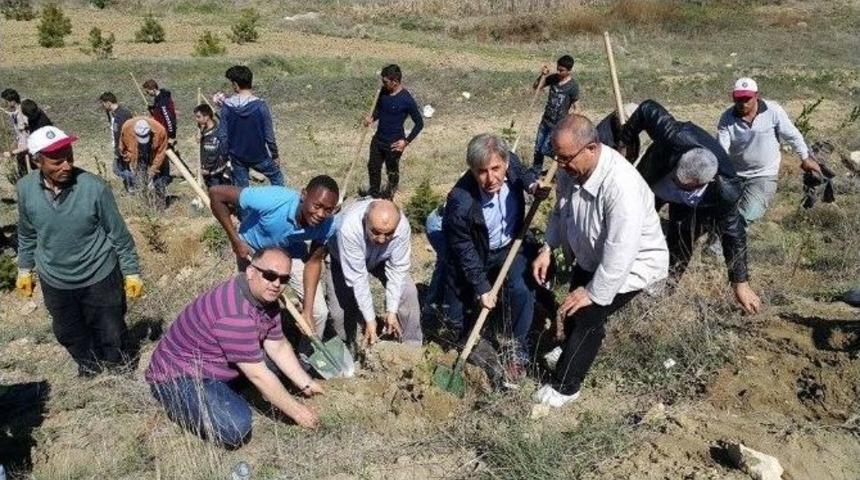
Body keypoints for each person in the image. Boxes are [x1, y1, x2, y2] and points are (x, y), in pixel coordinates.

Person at [531, 115, 669, 407]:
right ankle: (569, 349)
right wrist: (548, 247)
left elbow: (622, 250)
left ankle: (567, 386)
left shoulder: (621, 186)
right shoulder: (573, 170)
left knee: (588, 317)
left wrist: (594, 292)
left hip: (631, 265)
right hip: (592, 255)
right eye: (558, 157)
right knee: (572, 303)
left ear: (591, 148)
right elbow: (561, 211)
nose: (561, 165)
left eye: (566, 158)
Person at [146, 247, 322, 448]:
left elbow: (278, 345)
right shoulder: (234, 313)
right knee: (236, 427)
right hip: (178, 377)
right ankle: (178, 402)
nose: (276, 284)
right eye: (270, 275)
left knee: (276, 367)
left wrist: (305, 383)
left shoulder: (264, 297)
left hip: (214, 362)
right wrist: (298, 412)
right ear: (251, 271)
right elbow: (257, 374)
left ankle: (227, 391)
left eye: (284, 279)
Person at [15, 126, 142, 377]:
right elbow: (27, 233)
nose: (66, 165)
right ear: (36, 160)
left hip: (99, 273)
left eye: (70, 157)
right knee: (68, 331)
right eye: (57, 161)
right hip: (55, 278)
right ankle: (89, 366)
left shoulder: (94, 188)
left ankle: (119, 370)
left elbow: (118, 234)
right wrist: (24, 268)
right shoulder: (25, 189)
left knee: (111, 329)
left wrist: (131, 271)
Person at [617, 100, 761, 314]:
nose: (676, 182)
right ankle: (618, 271)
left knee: (681, 243)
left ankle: (664, 292)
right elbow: (647, 108)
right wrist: (623, 145)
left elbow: (734, 234)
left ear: (704, 182)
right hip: (653, 180)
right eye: (676, 177)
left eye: (682, 184)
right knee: (628, 223)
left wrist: (740, 283)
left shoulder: (725, 192)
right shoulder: (677, 137)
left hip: (690, 208)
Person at [443, 133, 545, 385]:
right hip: (478, 252)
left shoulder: (511, 165)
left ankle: (516, 346)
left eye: (496, 169)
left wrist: (533, 185)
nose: (491, 178)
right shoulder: (460, 201)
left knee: (521, 289)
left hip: (512, 244)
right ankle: (466, 340)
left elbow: (523, 174)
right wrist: (480, 286)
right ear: (472, 170)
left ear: (505, 163)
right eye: (482, 172)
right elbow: (463, 249)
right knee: (456, 320)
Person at [209, 176, 339, 336]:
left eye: (328, 210)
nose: (321, 214)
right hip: (253, 249)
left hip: (290, 251)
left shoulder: (328, 224)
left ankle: (307, 357)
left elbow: (313, 263)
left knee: (318, 312)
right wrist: (235, 240)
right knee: (252, 304)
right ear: (304, 195)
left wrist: (307, 310)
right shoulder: (273, 199)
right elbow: (216, 193)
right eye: (317, 205)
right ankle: (256, 344)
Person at [717, 77, 821, 228]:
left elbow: (792, 135)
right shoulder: (727, 118)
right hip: (735, 173)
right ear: (733, 98)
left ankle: (720, 245)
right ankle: (720, 237)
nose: (743, 103)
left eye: (747, 99)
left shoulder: (773, 111)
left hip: (763, 174)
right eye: (739, 99)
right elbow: (722, 149)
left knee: (750, 213)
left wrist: (805, 158)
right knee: (720, 209)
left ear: (756, 96)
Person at [325, 198, 422, 348]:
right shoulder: (348, 228)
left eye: (388, 234)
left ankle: (411, 348)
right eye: (375, 232)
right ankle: (358, 346)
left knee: (407, 292)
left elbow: (398, 271)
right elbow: (358, 278)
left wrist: (391, 310)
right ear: (365, 221)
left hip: (381, 257)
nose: (382, 239)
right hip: (342, 260)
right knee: (340, 314)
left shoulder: (401, 226)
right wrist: (370, 320)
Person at [362, 64, 424, 198]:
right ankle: (373, 195)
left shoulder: (406, 100)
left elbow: (419, 123)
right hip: (378, 139)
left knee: (392, 172)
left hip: (394, 144)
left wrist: (406, 142)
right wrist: (372, 118)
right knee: (373, 167)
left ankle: (389, 196)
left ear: (394, 82)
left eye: (385, 82)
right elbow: (380, 110)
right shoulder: (383, 92)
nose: (383, 84)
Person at [216, 65, 283, 187]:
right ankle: (279, 202)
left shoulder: (227, 107)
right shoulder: (261, 106)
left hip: (237, 157)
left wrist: (224, 155)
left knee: (242, 191)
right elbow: (269, 136)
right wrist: (275, 155)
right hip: (259, 155)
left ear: (235, 84)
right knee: (276, 176)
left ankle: (243, 206)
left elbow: (223, 135)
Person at [531, 55, 580, 172]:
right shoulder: (553, 78)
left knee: (545, 149)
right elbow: (536, 87)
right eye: (558, 69)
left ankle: (564, 164)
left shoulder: (573, 86)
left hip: (558, 125)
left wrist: (571, 122)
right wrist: (542, 75)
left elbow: (577, 107)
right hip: (546, 120)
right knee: (538, 148)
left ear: (569, 71)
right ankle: (535, 172)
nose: (558, 72)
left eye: (561, 70)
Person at [119, 116, 170, 203]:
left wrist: (153, 170)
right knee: (137, 179)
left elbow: (160, 154)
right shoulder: (127, 127)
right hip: (137, 157)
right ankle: (141, 200)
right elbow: (122, 146)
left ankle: (159, 203)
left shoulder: (160, 131)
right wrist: (129, 160)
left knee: (160, 181)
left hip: (153, 156)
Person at [98, 92, 133, 186]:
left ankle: (137, 180)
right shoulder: (113, 113)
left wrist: (120, 149)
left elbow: (123, 134)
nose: (102, 106)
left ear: (108, 102)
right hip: (119, 147)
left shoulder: (122, 114)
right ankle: (131, 188)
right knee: (125, 168)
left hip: (123, 147)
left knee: (116, 169)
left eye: (103, 103)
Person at [194, 103, 231, 188]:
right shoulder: (208, 127)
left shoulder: (214, 135)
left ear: (206, 117)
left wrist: (206, 168)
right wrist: (200, 137)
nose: (196, 119)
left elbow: (212, 153)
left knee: (216, 193)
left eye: (198, 117)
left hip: (214, 171)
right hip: (211, 169)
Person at [1, 88, 30, 177]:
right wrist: (2, 110)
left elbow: (27, 141)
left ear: (12, 101)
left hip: (27, 148)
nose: (5, 104)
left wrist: (12, 152)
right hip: (21, 146)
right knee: (21, 167)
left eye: (6, 102)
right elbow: (12, 114)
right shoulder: (17, 111)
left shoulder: (22, 116)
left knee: (31, 169)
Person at [142, 79, 177, 146]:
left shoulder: (162, 101)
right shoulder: (158, 98)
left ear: (153, 89)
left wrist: (171, 136)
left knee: (168, 151)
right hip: (162, 129)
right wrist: (152, 108)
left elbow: (168, 118)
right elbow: (159, 111)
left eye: (148, 91)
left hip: (166, 131)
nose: (147, 94)